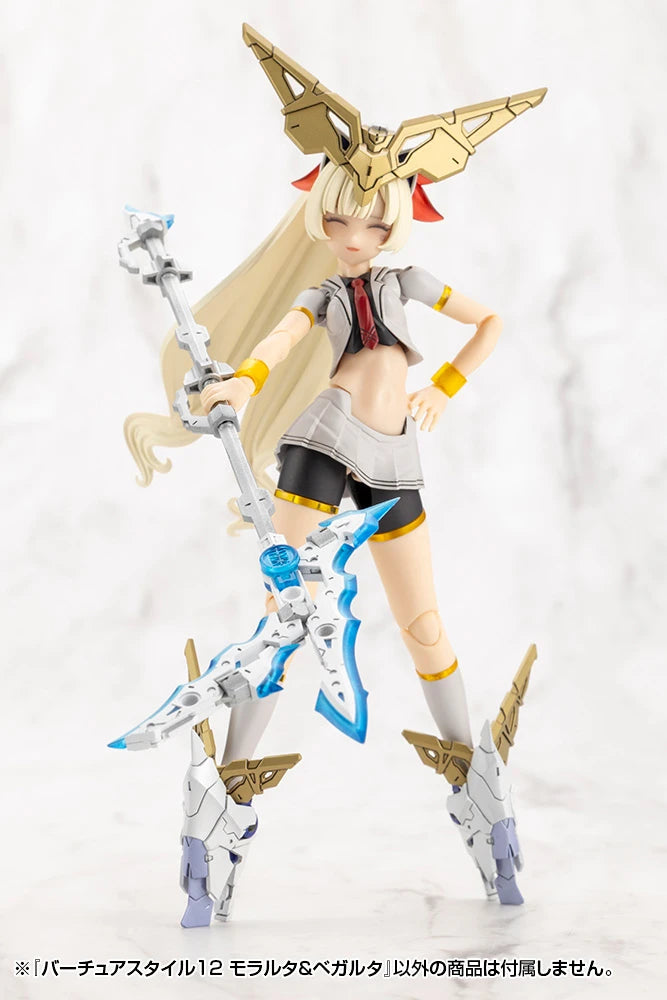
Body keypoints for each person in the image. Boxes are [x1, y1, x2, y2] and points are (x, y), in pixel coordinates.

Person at [124, 25, 543, 913]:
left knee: (423, 625)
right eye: (341, 219)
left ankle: (480, 794)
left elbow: (490, 322)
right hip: (320, 441)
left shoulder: (406, 281)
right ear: (320, 214)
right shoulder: (323, 292)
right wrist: (239, 382)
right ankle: (223, 806)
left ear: (398, 217)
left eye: (373, 221)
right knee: (285, 616)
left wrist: (444, 387)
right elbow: (278, 343)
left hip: (393, 455)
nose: (355, 236)